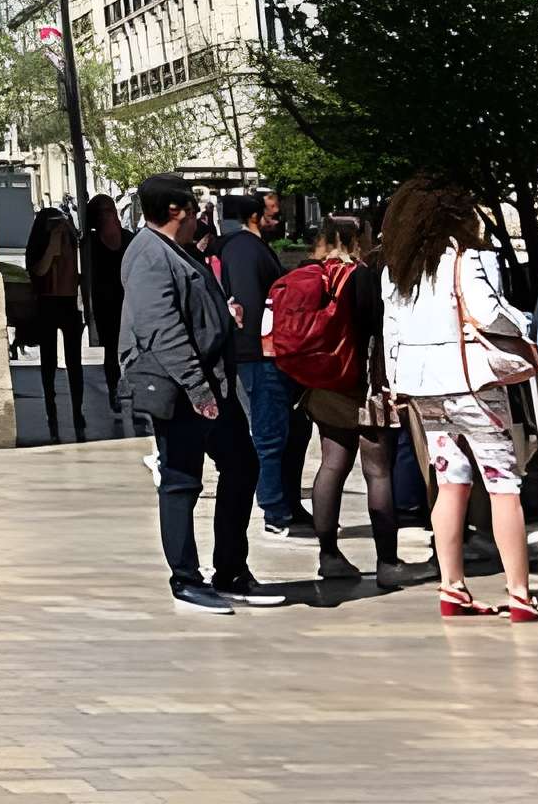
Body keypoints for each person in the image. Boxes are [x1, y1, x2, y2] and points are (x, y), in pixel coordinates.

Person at [381, 173, 538, 621]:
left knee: (450, 481)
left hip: (424, 389)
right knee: (503, 486)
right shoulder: (466, 258)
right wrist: (522, 324)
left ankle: (452, 586)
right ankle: (520, 593)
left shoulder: (395, 269)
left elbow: (391, 334)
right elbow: (489, 312)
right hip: (473, 385)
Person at [119, 171, 287, 613]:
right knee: (180, 481)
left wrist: (220, 312)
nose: (201, 216)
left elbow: (190, 308)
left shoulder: (180, 251)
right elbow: (161, 329)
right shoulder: (150, 256)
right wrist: (197, 388)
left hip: (211, 382)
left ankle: (230, 570)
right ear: (175, 211)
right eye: (194, 208)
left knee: (242, 465)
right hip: (182, 388)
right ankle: (186, 581)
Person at [267, 213, 406, 585]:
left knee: (331, 466)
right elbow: (377, 329)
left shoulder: (313, 275)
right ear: (355, 238)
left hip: (325, 383)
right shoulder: (361, 275)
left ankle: (329, 556)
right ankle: (388, 562)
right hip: (365, 384)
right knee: (377, 470)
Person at [211, 190, 308, 536]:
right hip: (258, 355)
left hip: (255, 354)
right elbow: (251, 306)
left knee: (288, 429)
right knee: (269, 433)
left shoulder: (236, 248)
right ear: (255, 217)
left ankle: (285, 502)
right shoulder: (245, 250)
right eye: (274, 215)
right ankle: (274, 510)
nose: (279, 221)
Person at [22, 204, 88, 440]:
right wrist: (52, 244)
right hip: (47, 303)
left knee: (74, 362)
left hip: (69, 303)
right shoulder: (43, 243)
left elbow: (80, 273)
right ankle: (51, 408)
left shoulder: (72, 241)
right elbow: (38, 270)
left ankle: (77, 411)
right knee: (48, 361)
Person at [81, 193, 129, 421]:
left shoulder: (129, 239)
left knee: (137, 352)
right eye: (106, 212)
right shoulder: (89, 246)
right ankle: (114, 391)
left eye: (112, 211)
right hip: (106, 306)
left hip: (130, 304)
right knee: (111, 352)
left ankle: (138, 396)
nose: (112, 216)